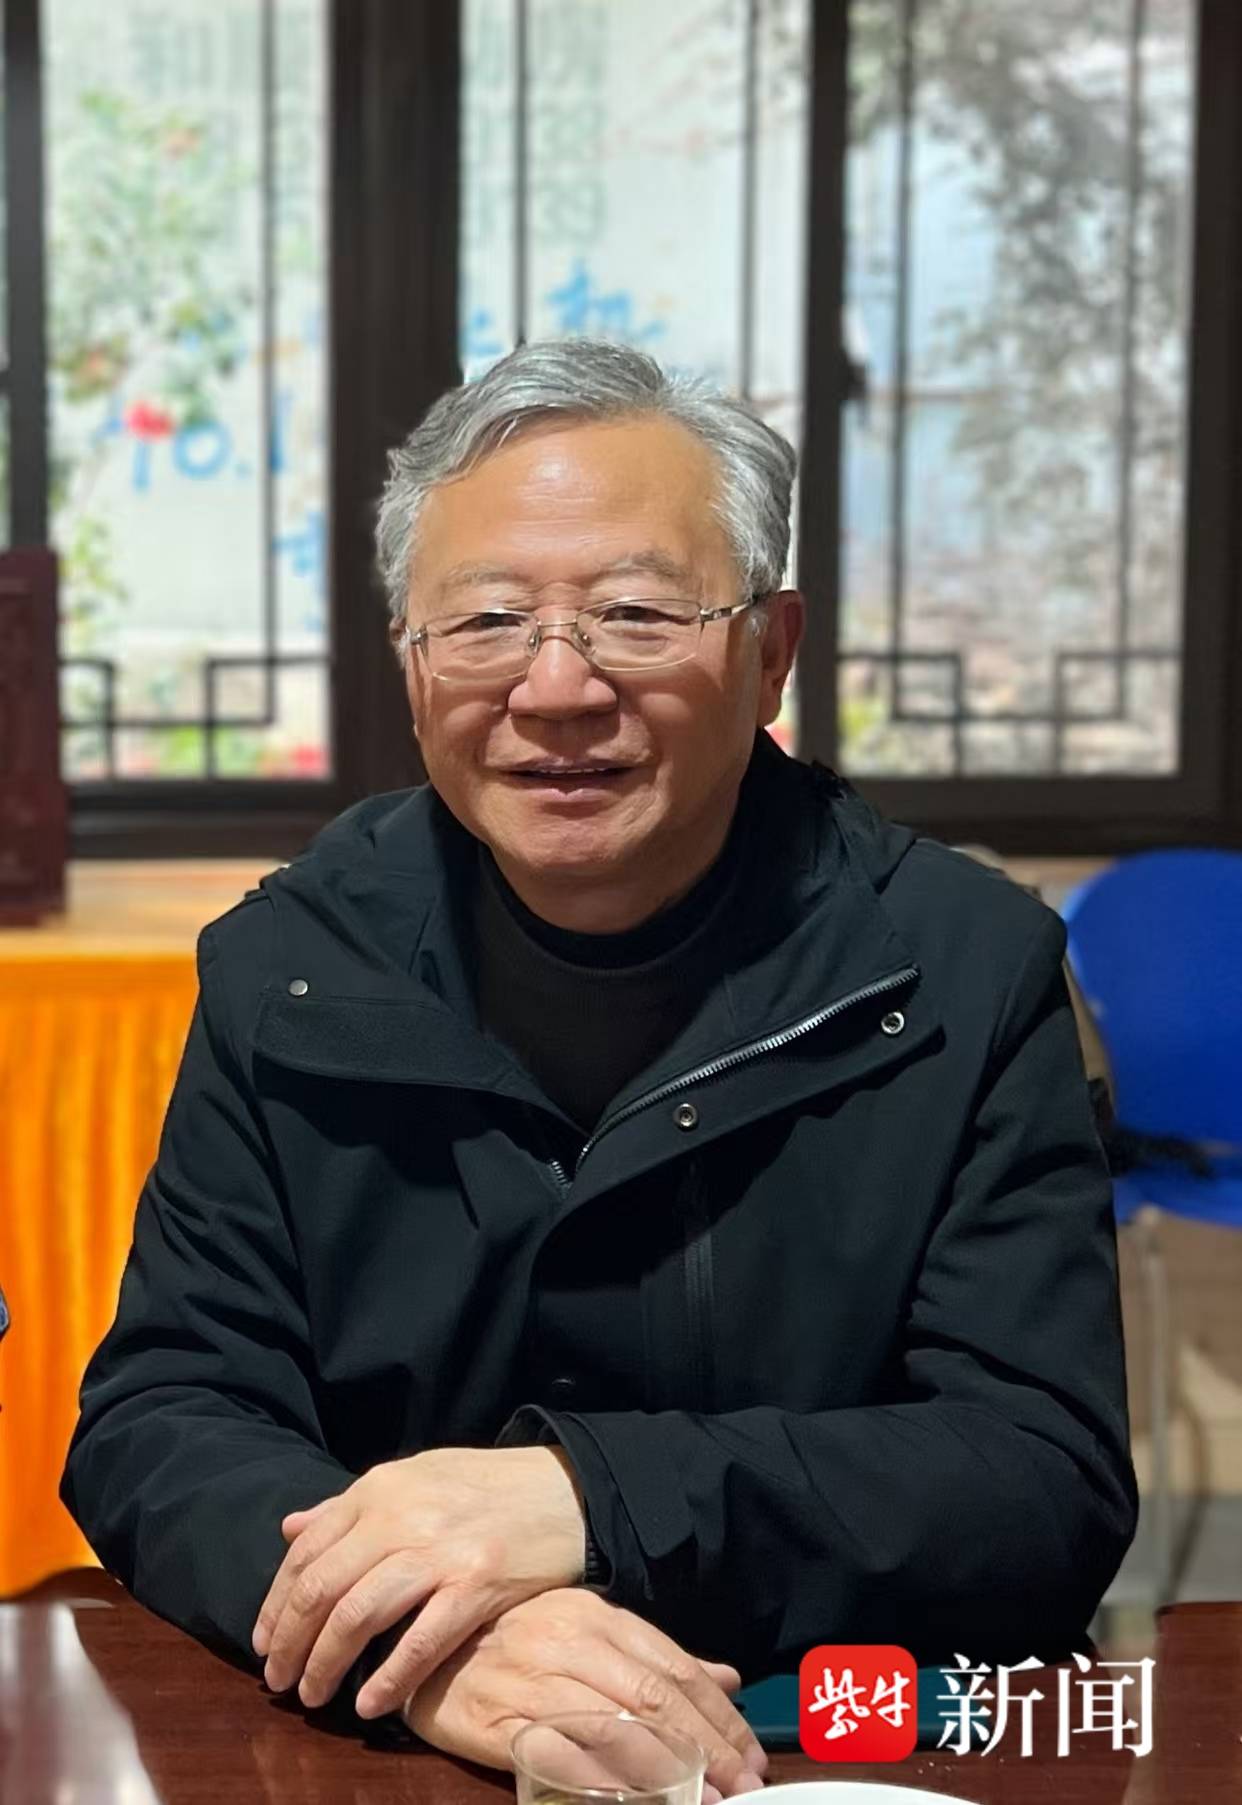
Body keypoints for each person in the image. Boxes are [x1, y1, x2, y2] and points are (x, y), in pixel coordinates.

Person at [62, 339, 1137, 1794]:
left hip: (819, 1746)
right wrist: (430, 1638)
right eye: (487, 620)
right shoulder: (292, 964)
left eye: (635, 612)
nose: (557, 687)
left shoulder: (959, 970)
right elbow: (163, 1418)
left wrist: (581, 1501)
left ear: (771, 648)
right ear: (411, 659)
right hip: (409, 1746)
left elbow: (1039, 1480)